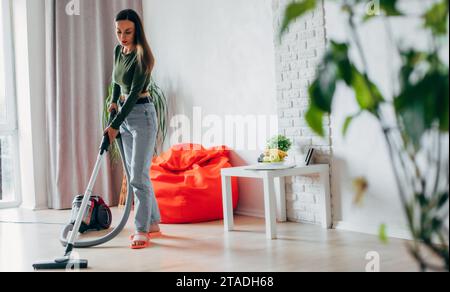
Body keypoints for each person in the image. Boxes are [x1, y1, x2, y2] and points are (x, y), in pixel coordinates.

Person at [105, 9, 160, 249]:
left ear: (136, 30)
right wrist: (113, 100)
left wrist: (114, 126)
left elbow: (135, 93)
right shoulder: (119, 50)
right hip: (125, 116)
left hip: (142, 116)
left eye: (128, 31)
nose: (122, 36)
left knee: (138, 176)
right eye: (118, 31)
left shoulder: (142, 55)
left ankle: (142, 230)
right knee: (137, 175)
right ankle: (154, 222)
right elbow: (116, 80)